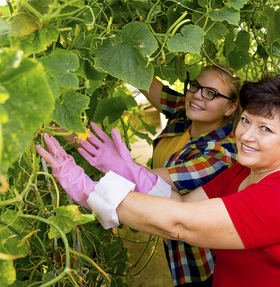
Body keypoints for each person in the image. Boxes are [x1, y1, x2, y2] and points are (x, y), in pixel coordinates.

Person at [36, 74, 280, 286]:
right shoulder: (243, 171)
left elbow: (180, 223)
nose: (247, 135)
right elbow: (180, 203)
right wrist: (127, 169)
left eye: (266, 129)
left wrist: (91, 191)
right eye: (246, 121)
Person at [74, 64, 241, 286]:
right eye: (195, 86)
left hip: (203, 258)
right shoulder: (185, 113)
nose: (197, 96)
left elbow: (145, 181)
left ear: (231, 108)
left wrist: (78, 141)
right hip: (175, 237)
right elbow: (139, 73)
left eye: (211, 93)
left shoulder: (221, 153)